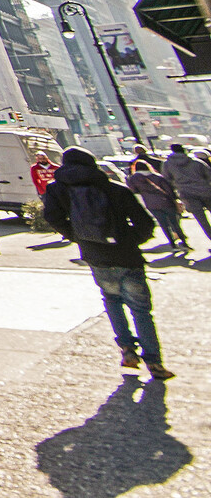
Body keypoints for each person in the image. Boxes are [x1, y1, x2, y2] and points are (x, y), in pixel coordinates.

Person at [44, 146, 173, 378]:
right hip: (126, 255)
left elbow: (53, 217)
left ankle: (127, 350)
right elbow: (145, 223)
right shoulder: (115, 189)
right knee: (141, 309)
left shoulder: (57, 190)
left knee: (112, 300)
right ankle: (154, 361)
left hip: (96, 255)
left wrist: (79, 237)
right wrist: (130, 240)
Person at [126, 160, 188, 253]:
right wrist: (175, 200)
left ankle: (173, 244)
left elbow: (133, 191)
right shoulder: (157, 177)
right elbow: (169, 190)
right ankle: (184, 243)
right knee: (174, 223)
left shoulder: (133, 179)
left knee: (164, 225)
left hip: (151, 204)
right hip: (166, 202)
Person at [160, 142, 211, 241]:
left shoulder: (167, 164)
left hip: (186, 193)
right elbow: (209, 175)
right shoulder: (196, 162)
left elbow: (167, 179)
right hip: (205, 191)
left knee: (202, 220)